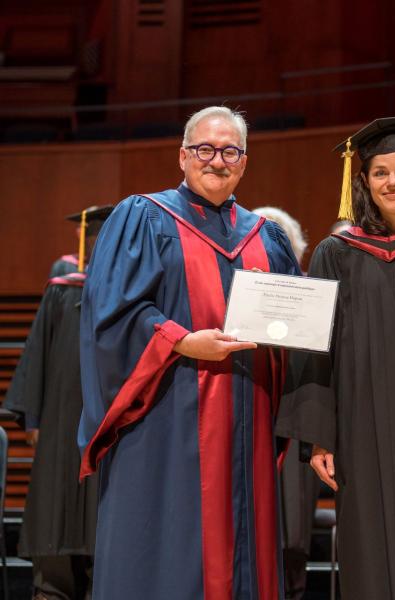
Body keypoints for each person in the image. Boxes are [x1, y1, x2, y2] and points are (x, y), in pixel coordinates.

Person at [78, 106, 301, 600]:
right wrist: (181, 340)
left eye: (229, 151)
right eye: (204, 149)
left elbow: (294, 325)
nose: (216, 160)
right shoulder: (143, 218)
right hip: (167, 421)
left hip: (248, 419)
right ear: (183, 156)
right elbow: (111, 315)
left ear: (243, 162)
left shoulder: (267, 236)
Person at [276, 114, 395, 600]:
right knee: (370, 537)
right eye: (381, 173)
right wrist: (321, 438)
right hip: (365, 425)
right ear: (363, 181)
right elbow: (315, 348)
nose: (393, 182)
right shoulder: (336, 253)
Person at [4, 206, 112, 600]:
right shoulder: (62, 289)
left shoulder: (134, 293)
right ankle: (51, 590)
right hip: (60, 424)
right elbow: (38, 352)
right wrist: (32, 418)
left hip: (111, 423)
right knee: (55, 505)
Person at [252, 205, 318, 600]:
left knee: (291, 534)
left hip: (296, 424)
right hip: (252, 418)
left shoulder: (310, 294)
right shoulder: (234, 295)